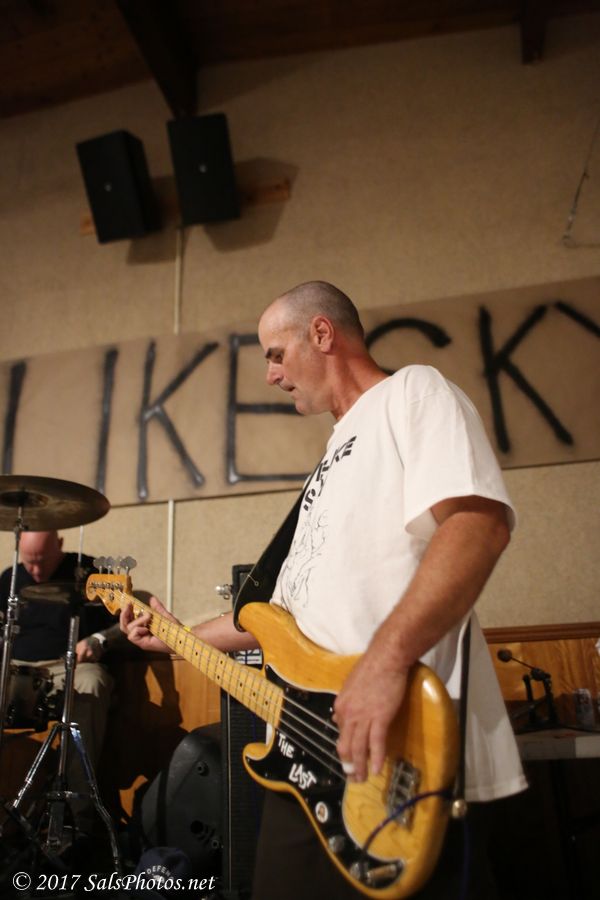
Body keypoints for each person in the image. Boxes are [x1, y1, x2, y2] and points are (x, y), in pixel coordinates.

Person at [121, 281, 527, 899]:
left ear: (321, 333)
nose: (270, 375)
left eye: (275, 354)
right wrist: (174, 638)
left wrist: (384, 663)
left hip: (400, 748)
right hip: (307, 755)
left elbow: (477, 524)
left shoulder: (412, 392)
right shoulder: (334, 456)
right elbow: (278, 617)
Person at [0, 529, 121, 834]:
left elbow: (126, 621)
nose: (35, 570)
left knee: (92, 682)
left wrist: (99, 639)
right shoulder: (9, 578)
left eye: (42, 560)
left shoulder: (90, 570)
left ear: (61, 544)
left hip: (70, 668)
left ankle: (76, 817)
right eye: (29, 562)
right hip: (16, 669)